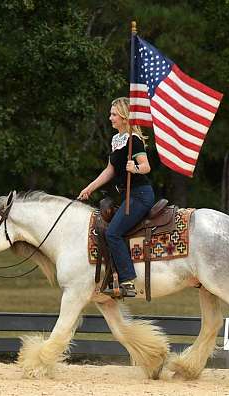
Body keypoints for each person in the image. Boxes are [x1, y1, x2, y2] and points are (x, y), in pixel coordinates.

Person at [78, 97, 155, 297]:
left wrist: (135, 168)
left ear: (123, 117)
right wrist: (90, 187)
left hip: (140, 195)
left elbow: (146, 166)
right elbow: (110, 170)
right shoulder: (117, 140)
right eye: (111, 114)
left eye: (113, 114)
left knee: (113, 232)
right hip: (128, 196)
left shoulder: (133, 140)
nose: (110, 117)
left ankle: (127, 281)